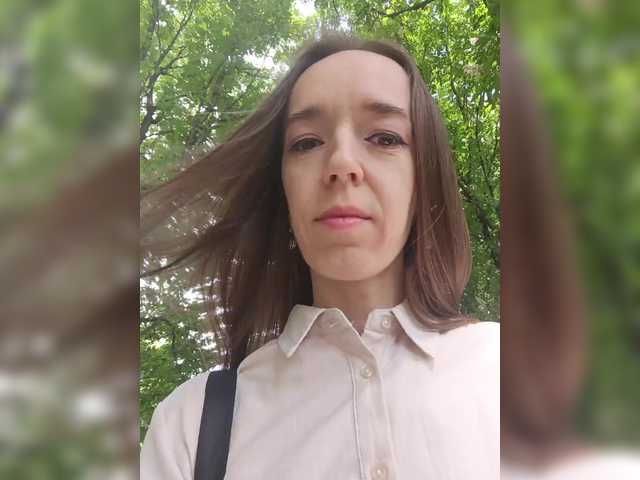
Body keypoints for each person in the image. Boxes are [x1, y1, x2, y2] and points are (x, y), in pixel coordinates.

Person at [140, 33, 499, 479]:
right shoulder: (189, 428)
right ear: (283, 190)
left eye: (384, 137)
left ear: (423, 180)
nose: (342, 163)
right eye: (307, 142)